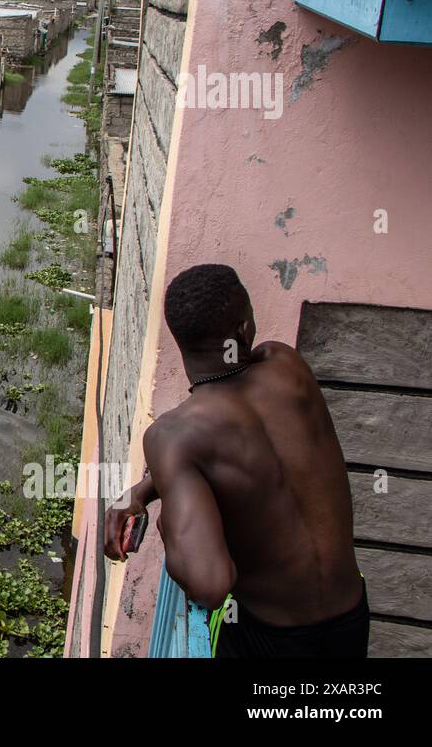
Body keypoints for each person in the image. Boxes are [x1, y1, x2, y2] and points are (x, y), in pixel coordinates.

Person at [103, 263, 367, 657]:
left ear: (180, 342)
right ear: (245, 328)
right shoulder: (287, 365)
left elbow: (210, 584)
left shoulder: (172, 437)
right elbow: (247, 445)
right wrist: (145, 488)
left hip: (269, 640)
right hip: (350, 618)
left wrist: (169, 522)